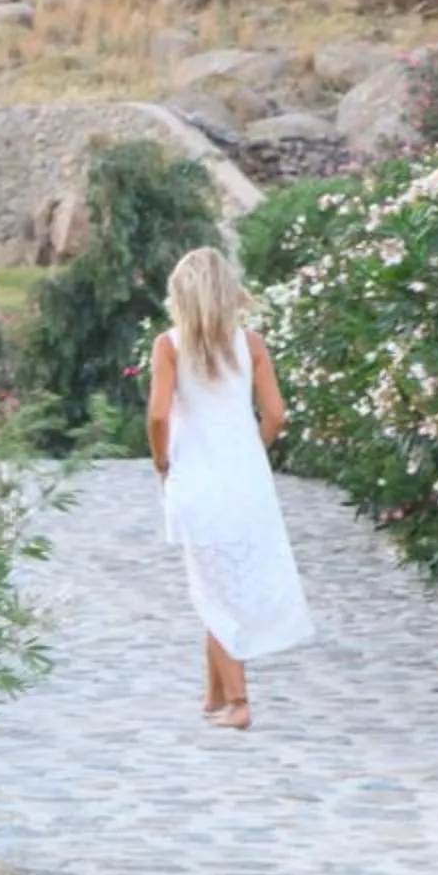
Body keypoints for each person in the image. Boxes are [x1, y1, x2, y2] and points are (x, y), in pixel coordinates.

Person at [145, 245, 313, 731]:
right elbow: (276, 414)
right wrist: (252, 450)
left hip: (197, 477)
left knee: (214, 588)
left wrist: (161, 458)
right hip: (246, 482)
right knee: (219, 582)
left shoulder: (170, 346)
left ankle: (238, 702)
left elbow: (158, 414)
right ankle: (213, 695)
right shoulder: (252, 344)